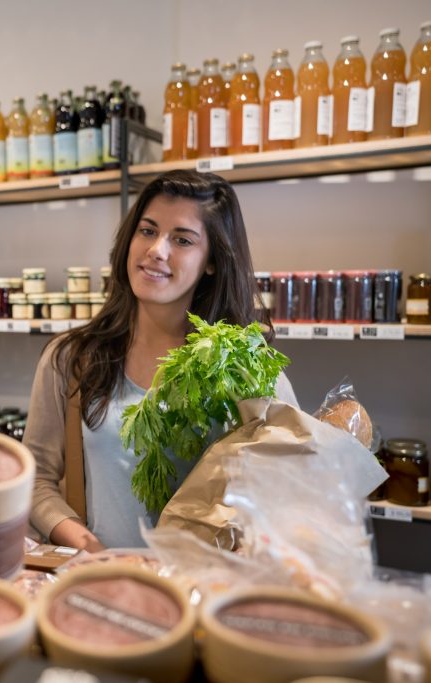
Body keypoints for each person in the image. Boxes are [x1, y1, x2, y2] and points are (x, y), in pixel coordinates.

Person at [26, 169, 297, 551]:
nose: (157, 250)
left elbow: (289, 489)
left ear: (212, 261)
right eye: (148, 231)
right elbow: (37, 477)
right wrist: (89, 547)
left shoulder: (246, 370)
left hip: (204, 590)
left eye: (182, 239)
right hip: (104, 584)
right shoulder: (70, 359)